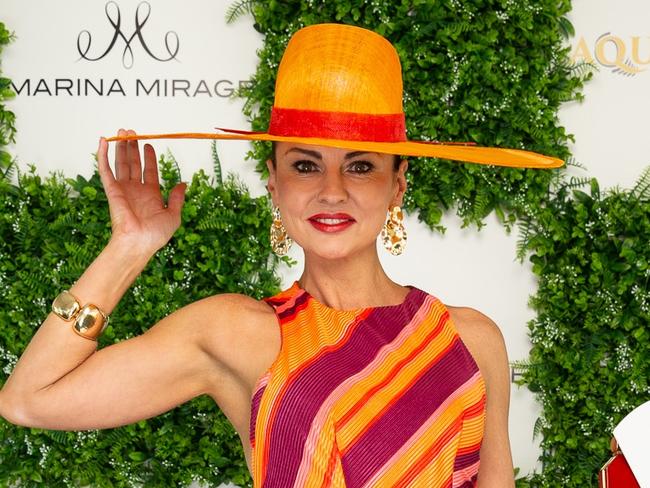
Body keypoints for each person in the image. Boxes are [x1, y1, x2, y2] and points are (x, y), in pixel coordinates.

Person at [0, 23, 561, 487]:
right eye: (305, 164)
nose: (332, 190)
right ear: (274, 182)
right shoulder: (236, 332)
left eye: (361, 165)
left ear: (397, 184)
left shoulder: (471, 341)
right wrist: (130, 246)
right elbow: (29, 400)